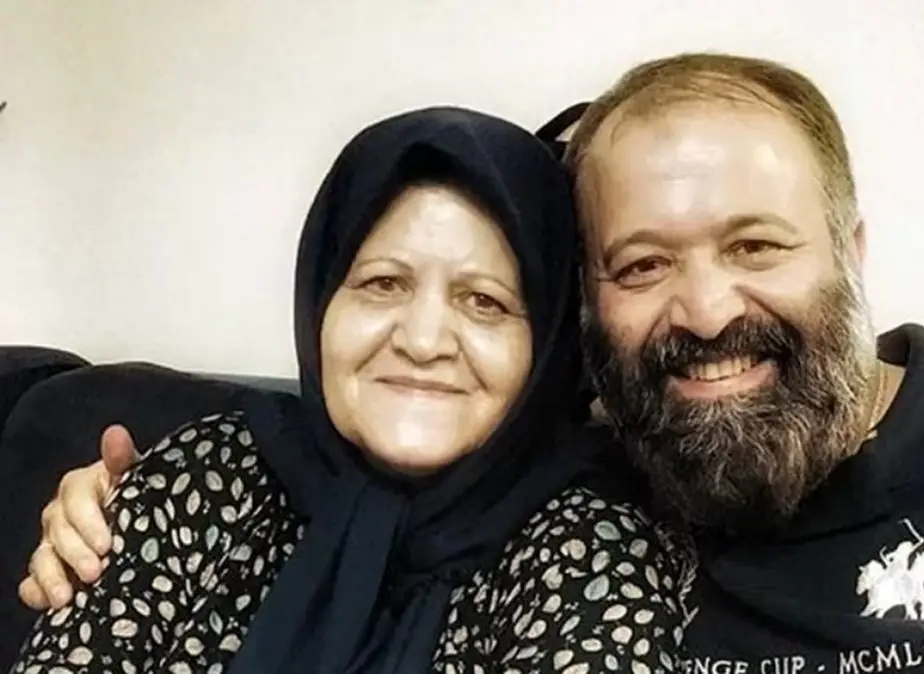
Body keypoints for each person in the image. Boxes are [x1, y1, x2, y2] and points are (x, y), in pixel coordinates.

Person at [23, 53, 924, 674]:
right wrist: (112, 505)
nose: (706, 309)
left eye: (756, 245)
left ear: (851, 253)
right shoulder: (599, 468)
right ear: (585, 309)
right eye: (643, 263)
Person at [9, 106, 689, 673]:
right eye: (382, 284)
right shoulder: (206, 473)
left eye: (484, 301)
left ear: (548, 345)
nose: (423, 340)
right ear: (321, 302)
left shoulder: (592, 548)